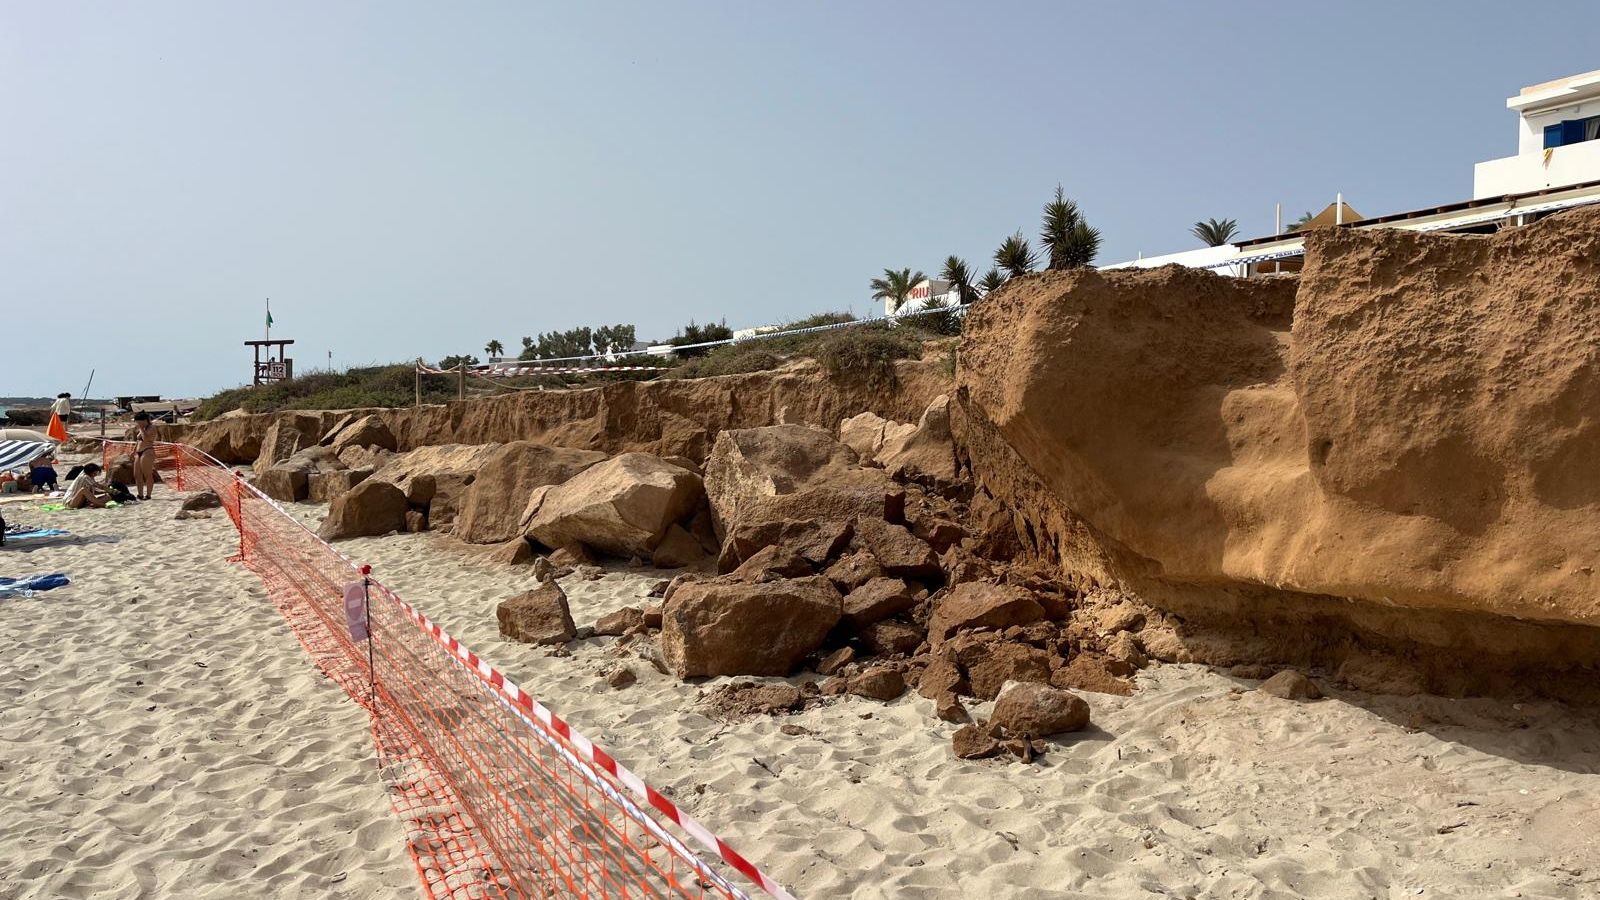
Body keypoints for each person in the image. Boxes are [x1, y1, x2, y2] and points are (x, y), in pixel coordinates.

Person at [129, 411, 157, 500]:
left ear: (144, 420)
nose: (137, 423)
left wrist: (141, 429)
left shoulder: (151, 427)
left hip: (147, 451)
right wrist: (133, 451)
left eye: (139, 421)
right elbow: (138, 441)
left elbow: (145, 439)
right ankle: (140, 494)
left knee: (147, 474)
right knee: (137, 474)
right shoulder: (143, 428)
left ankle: (148, 495)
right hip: (138, 452)